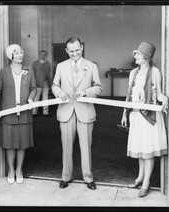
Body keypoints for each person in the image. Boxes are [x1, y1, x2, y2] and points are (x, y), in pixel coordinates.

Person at [52, 37, 102, 190]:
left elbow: (98, 87)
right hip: (66, 111)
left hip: (85, 111)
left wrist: (86, 92)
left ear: (82, 48)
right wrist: (59, 92)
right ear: (66, 51)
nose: (75, 53)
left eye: (77, 50)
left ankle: (88, 178)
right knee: (66, 146)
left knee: (86, 147)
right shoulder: (61, 66)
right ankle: (65, 177)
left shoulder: (92, 66)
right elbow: (55, 85)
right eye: (71, 51)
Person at [121, 42, 169, 198]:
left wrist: (165, 98)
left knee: (147, 150)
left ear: (146, 57)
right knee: (140, 150)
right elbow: (129, 95)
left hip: (149, 117)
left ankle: (146, 182)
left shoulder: (155, 72)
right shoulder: (133, 73)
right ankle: (140, 177)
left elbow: (160, 94)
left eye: (138, 54)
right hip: (135, 115)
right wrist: (124, 114)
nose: (135, 56)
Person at [0, 44, 37, 185]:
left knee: (22, 144)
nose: (20, 55)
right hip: (8, 114)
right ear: (10, 55)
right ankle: (11, 170)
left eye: (21, 52)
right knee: (10, 144)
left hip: (24, 114)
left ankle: (19, 170)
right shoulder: (4, 72)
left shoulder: (29, 71)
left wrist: (30, 99)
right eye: (16, 53)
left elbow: (34, 88)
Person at [32, 50, 52, 116]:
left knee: (45, 98)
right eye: (42, 54)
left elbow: (49, 73)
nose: (43, 56)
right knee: (36, 98)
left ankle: (45, 112)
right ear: (39, 55)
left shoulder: (48, 63)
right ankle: (34, 112)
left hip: (46, 82)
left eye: (44, 54)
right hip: (38, 83)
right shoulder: (35, 63)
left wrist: (50, 83)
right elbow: (33, 74)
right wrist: (33, 83)